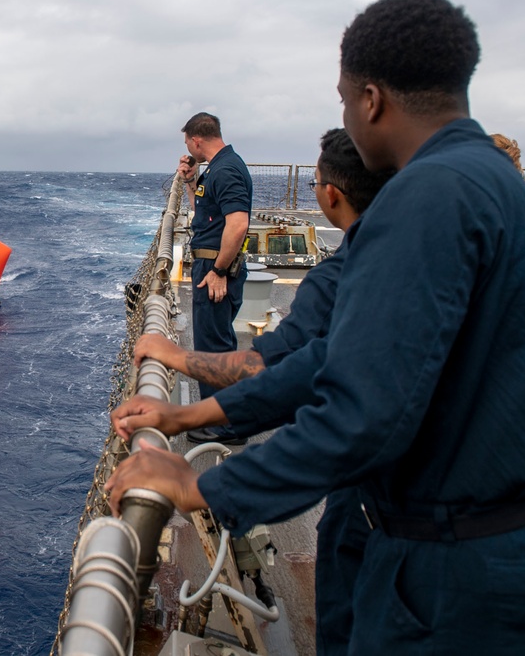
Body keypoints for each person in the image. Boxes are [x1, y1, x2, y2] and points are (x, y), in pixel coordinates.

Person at [107, 0, 525, 655]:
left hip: (471, 593)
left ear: (372, 100)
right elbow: (326, 362)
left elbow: (360, 413)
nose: (346, 118)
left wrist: (199, 484)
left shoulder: (425, 198)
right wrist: (184, 417)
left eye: (345, 99)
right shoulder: (496, 183)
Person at [132, 127, 393, 654]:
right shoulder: (429, 257)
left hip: (396, 520)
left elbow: (292, 377)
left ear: (329, 193)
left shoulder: (349, 277)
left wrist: (204, 485)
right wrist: (184, 417)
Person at [177, 112, 252, 444]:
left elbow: (238, 225)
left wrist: (220, 271)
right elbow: (206, 216)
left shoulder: (227, 170)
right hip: (210, 267)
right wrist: (192, 181)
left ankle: (226, 427)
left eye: (187, 145)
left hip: (215, 271)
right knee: (217, 344)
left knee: (214, 351)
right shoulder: (217, 169)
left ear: (196, 140)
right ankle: (225, 418)